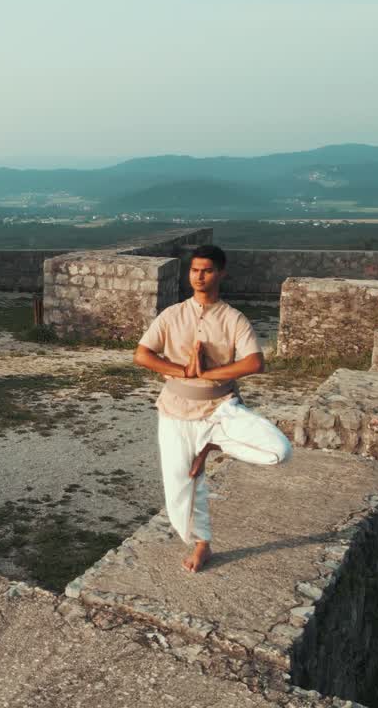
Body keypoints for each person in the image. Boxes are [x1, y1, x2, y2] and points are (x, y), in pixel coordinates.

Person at [133, 244, 292, 573]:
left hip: (220, 408)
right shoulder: (172, 315)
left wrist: (208, 373)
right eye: (194, 270)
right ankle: (201, 543)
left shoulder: (233, 318)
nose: (199, 277)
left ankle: (214, 442)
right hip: (174, 411)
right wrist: (183, 371)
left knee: (279, 451)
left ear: (221, 273)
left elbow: (255, 362)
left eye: (206, 270)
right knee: (181, 487)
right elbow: (142, 355)